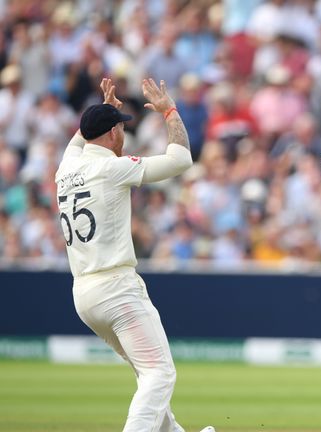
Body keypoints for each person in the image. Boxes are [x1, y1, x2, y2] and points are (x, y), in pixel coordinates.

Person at [55, 78, 215, 432]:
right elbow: (181, 159)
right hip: (116, 289)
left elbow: (79, 138)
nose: (124, 134)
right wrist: (169, 111)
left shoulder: (65, 169)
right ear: (113, 133)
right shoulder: (113, 168)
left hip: (84, 294)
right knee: (160, 373)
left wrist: (103, 109)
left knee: (147, 374)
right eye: (121, 127)